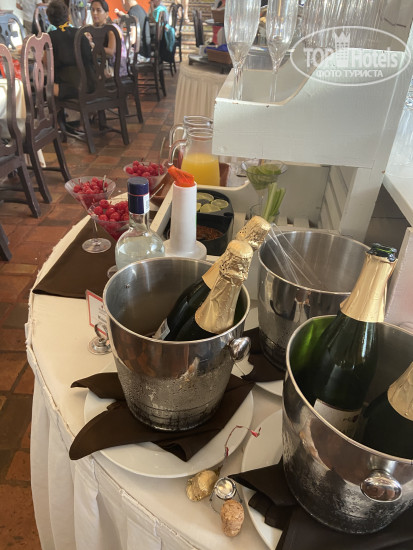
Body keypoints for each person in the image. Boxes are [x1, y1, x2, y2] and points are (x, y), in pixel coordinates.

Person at [46, 0, 94, 100]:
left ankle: (55, 111)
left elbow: (47, 63)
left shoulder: (50, 37)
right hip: (90, 83)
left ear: (50, 20)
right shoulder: (80, 33)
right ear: (67, 16)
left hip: (71, 88)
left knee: (45, 86)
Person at [90, 0, 128, 76]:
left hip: (115, 69)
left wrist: (93, 47)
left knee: (87, 71)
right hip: (104, 63)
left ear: (106, 14)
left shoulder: (111, 29)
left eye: (98, 10)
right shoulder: (97, 28)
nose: (94, 13)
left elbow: (111, 51)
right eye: (92, 10)